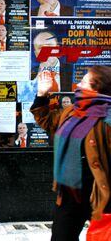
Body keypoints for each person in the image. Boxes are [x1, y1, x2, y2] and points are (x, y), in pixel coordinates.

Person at [31, 66, 111, 240]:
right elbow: (47, 121)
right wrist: (42, 94)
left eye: (83, 81)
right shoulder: (72, 111)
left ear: (96, 88)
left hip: (99, 192)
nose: (78, 85)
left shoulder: (107, 119)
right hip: (69, 192)